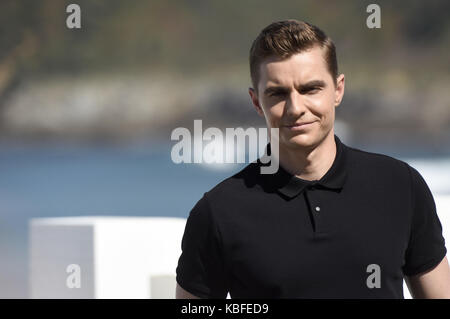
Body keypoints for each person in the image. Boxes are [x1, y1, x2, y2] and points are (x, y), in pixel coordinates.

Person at [175, 19, 450, 298]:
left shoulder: (401, 186)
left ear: (338, 89)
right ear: (256, 102)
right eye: (278, 93)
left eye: (310, 89)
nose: (296, 108)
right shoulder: (219, 212)